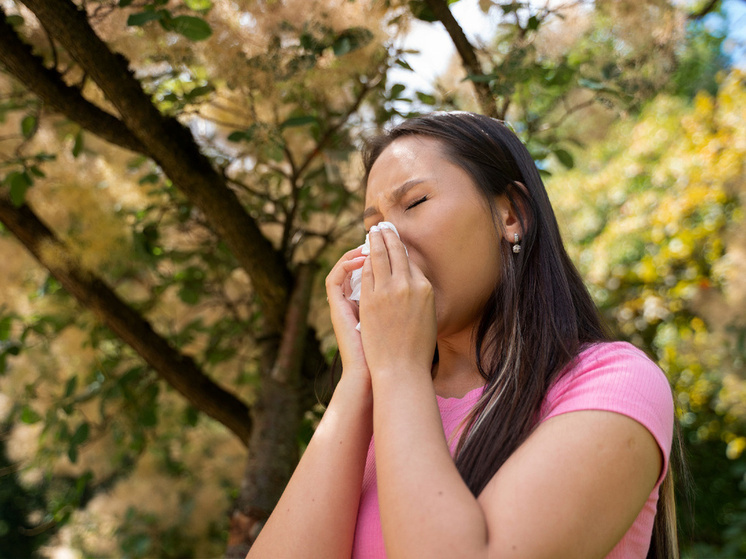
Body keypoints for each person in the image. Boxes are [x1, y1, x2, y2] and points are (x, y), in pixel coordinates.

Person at [247, 112, 676, 559]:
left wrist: (398, 368)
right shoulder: (378, 409)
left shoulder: (612, 382)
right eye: (371, 226)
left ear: (512, 214)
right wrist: (360, 375)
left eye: (414, 203)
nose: (382, 243)